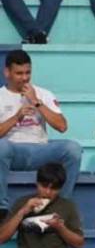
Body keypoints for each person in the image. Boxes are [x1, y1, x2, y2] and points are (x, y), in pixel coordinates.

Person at [0, 49, 81, 220]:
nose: (24, 78)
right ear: (7, 72)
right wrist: (16, 117)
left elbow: (62, 126)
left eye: (28, 72)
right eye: (19, 73)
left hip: (41, 149)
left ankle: (61, 205)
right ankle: (2, 206)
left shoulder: (43, 94)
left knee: (73, 149)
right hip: (13, 151)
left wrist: (37, 102)